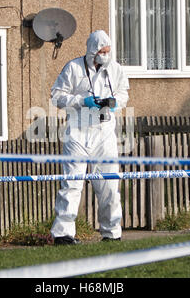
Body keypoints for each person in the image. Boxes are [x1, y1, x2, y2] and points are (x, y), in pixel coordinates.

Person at [50, 30, 130, 245]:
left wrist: (114, 102)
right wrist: (82, 101)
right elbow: (56, 96)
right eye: (102, 51)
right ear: (92, 51)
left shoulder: (115, 69)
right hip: (77, 132)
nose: (105, 55)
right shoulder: (74, 68)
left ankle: (111, 233)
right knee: (71, 184)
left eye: (108, 51)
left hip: (104, 132)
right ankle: (63, 234)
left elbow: (124, 93)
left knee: (109, 185)